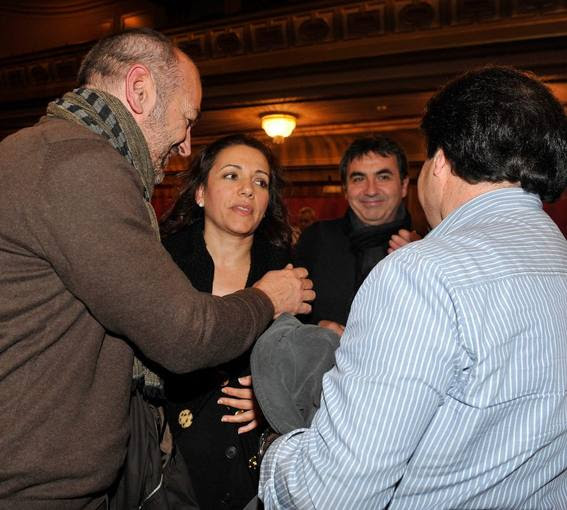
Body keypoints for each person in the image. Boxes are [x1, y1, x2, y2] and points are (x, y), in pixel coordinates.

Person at [0, 28, 314, 509]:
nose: (186, 144)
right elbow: (184, 334)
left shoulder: (35, 151)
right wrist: (271, 298)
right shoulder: (81, 166)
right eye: (186, 120)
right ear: (140, 90)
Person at [258, 66, 567, 509]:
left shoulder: (423, 272)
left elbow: (333, 493)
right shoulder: (559, 258)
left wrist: (275, 452)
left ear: (440, 162)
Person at [159, 134, 291, 509]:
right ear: (201, 193)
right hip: (173, 456)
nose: (247, 190)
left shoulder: (287, 272)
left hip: (256, 461)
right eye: (232, 176)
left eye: (260, 182)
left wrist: (270, 398)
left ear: (267, 203)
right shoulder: (162, 264)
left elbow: (302, 372)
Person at [293, 135, 418, 335]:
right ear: (345, 189)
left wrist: (423, 266)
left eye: (383, 177)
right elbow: (286, 314)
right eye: (359, 178)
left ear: (403, 186)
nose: (370, 190)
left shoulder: (427, 247)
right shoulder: (316, 239)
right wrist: (313, 330)